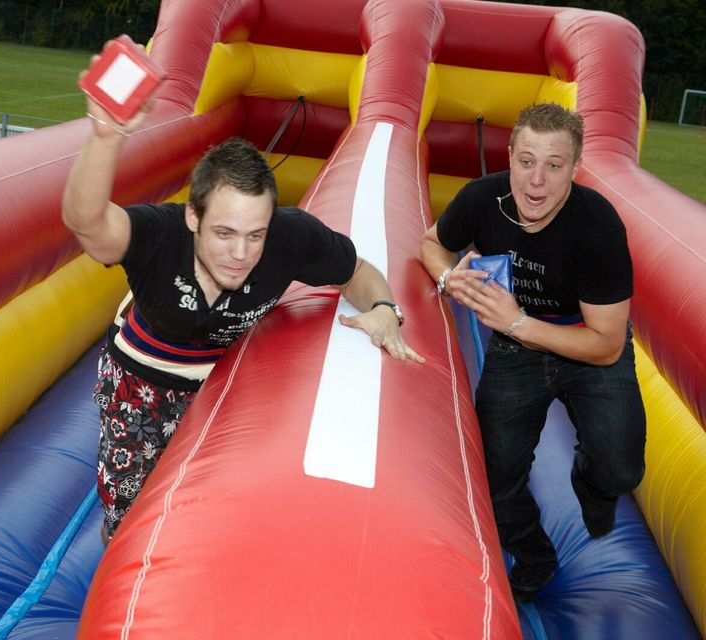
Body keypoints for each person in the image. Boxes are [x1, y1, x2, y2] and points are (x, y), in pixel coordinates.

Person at [63, 50, 423, 542]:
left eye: (254, 235)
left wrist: (384, 308)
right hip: (142, 381)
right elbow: (88, 224)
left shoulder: (289, 236)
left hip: (223, 380)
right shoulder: (160, 236)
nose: (240, 253)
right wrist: (106, 138)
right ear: (193, 217)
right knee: (128, 521)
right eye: (224, 233)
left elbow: (356, 270)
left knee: (210, 517)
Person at [420, 102, 646, 601]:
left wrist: (519, 321)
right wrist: (447, 275)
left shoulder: (598, 227)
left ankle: (591, 477)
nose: (536, 181)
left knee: (621, 471)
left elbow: (606, 346)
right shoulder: (483, 198)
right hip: (514, 351)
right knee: (495, 478)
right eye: (526, 161)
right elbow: (432, 242)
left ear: (575, 167)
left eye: (554, 165)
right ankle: (535, 553)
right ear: (509, 157)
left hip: (584, 349)